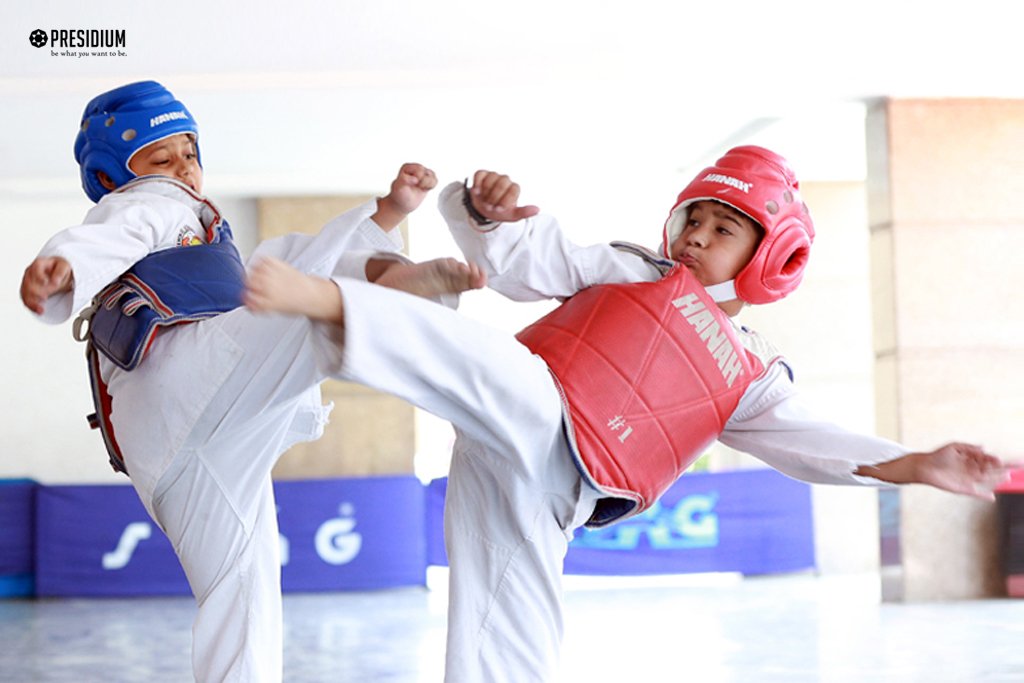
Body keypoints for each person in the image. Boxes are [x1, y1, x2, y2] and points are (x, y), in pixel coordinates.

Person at [243, 146, 1009, 682]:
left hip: (559, 485)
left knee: (509, 628)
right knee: (487, 361)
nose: (697, 236)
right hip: (530, 406)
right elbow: (525, 259)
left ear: (768, 258)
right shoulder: (633, 266)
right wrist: (487, 214)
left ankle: (350, 308)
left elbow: (816, 443)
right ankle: (339, 303)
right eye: (693, 219)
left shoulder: (750, 373)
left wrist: (916, 464)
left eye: (723, 229)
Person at [19, 80, 484, 683]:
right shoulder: (153, 205)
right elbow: (111, 234)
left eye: (190, 154)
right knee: (303, 309)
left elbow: (300, 257)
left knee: (242, 597)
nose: (182, 169)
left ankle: (378, 282)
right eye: (160, 158)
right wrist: (62, 269)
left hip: (191, 455)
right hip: (186, 380)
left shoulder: (216, 244)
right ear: (112, 177)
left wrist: (390, 211)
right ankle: (379, 292)